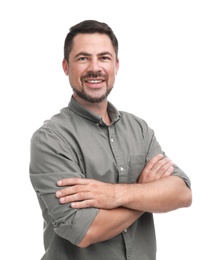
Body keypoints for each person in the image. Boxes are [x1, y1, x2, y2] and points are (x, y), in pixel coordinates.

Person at [29, 20, 192, 260]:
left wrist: (113, 194)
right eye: (83, 58)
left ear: (116, 65)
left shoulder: (138, 129)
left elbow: (182, 193)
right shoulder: (52, 139)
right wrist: (146, 193)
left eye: (104, 58)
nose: (95, 68)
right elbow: (85, 230)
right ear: (66, 66)